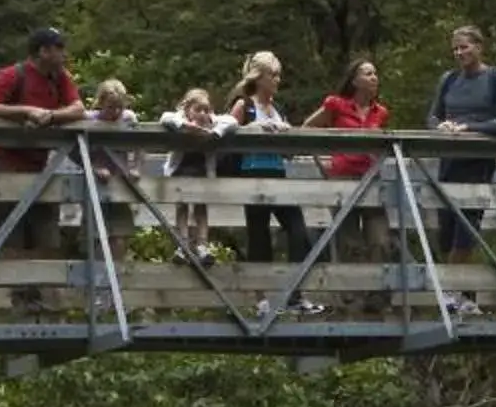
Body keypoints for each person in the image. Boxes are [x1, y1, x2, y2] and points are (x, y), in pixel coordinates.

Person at [0, 27, 86, 272]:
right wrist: (26, 111)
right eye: (59, 49)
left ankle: (43, 301)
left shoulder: (59, 77)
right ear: (43, 51)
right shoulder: (12, 74)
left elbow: (78, 108)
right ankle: (14, 301)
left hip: (41, 169)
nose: (64, 54)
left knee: (46, 236)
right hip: (6, 167)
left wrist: (50, 117)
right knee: (7, 238)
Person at [426, 24, 496, 258]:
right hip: (448, 160)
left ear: (478, 47)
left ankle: (455, 292)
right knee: (445, 233)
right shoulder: (449, 79)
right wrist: (440, 126)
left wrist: (469, 128)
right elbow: (433, 116)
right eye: (455, 49)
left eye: (464, 47)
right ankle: (459, 292)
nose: (459, 53)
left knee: (466, 232)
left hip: (478, 162)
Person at [222, 50, 311, 271]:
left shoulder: (277, 109)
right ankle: (262, 300)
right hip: (252, 172)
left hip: (278, 171)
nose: (277, 80)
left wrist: (287, 137)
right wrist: (252, 129)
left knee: (298, 230)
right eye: (272, 75)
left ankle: (294, 294)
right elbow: (226, 133)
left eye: (278, 75)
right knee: (258, 234)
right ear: (258, 77)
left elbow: (289, 152)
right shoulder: (244, 105)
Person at [304, 57, 391, 269]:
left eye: (375, 74)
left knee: (381, 241)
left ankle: (379, 299)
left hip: (372, 178)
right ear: (354, 81)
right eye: (368, 73)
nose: (374, 78)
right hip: (343, 177)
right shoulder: (336, 104)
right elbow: (307, 128)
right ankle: (354, 300)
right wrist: (321, 161)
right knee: (349, 243)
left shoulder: (380, 112)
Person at [83, 78, 143, 264]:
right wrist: (94, 168)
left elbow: (141, 145)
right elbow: (77, 152)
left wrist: (136, 167)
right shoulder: (89, 120)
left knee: (120, 233)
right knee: (95, 234)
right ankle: (99, 279)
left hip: (120, 182)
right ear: (101, 103)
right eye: (111, 107)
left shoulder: (128, 118)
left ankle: (116, 277)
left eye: (120, 107)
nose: (116, 112)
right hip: (96, 184)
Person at [158, 86, 220, 261]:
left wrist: (212, 126)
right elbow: (165, 118)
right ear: (187, 110)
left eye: (205, 110)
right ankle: (182, 245)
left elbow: (231, 122)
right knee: (182, 208)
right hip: (181, 171)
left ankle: (202, 246)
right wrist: (186, 126)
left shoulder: (211, 124)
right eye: (197, 109)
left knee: (201, 209)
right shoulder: (180, 121)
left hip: (201, 172)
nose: (202, 113)